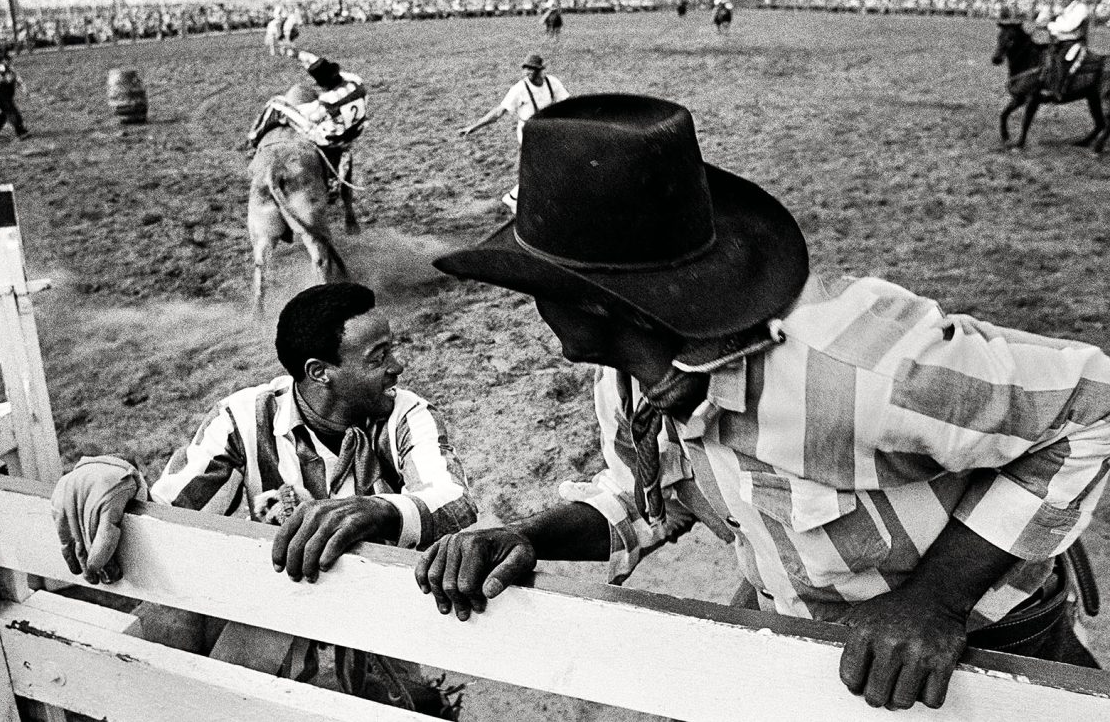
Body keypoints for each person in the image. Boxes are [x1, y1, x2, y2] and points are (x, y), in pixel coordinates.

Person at [425, 93, 1107, 712]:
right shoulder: (629, 378)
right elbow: (638, 496)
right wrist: (528, 537)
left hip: (993, 651)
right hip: (810, 641)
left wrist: (936, 600)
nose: (533, 305)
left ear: (597, 304)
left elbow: (1091, 402)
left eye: (537, 283)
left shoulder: (854, 366)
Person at [51, 283, 474, 715]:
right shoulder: (243, 418)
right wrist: (114, 476)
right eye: (378, 356)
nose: (397, 367)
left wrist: (379, 510)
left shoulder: (404, 414)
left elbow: (455, 501)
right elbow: (171, 515)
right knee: (175, 630)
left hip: (371, 645)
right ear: (319, 371)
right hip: (261, 642)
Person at [248, 50, 368, 218]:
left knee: (277, 104)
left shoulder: (328, 100)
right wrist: (297, 53)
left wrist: (294, 110)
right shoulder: (355, 81)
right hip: (355, 130)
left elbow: (309, 114)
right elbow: (316, 62)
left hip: (328, 137)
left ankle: (253, 140)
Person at [459, 53, 570, 213]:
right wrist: (474, 127)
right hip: (529, 132)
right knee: (541, 167)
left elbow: (566, 103)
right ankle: (512, 199)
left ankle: (534, 197)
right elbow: (499, 112)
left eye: (532, 69)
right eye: (525, 69)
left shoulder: (552, 83)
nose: (527, 73)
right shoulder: (519, 89)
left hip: (548, 130)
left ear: (540, 70)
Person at [1039, 0, 1091, 99]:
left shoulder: (1081, 9)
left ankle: (1059, 89)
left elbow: (1069, 27)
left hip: (1075, 43)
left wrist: (1050, 25)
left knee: (1061, 60)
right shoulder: (1065, 9)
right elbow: (1055, 25)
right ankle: (1044, 84)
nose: (1061, 0)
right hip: (1061, 42)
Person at [0, 48, 29, 140]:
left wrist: (24, 89)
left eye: (9, 59)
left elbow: (18, 79)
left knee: (1, 116)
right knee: (13, 113)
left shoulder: (10, 70)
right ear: (2, 60)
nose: (10, 61)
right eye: (7, 59)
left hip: (7, 97)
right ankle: (21, 132)